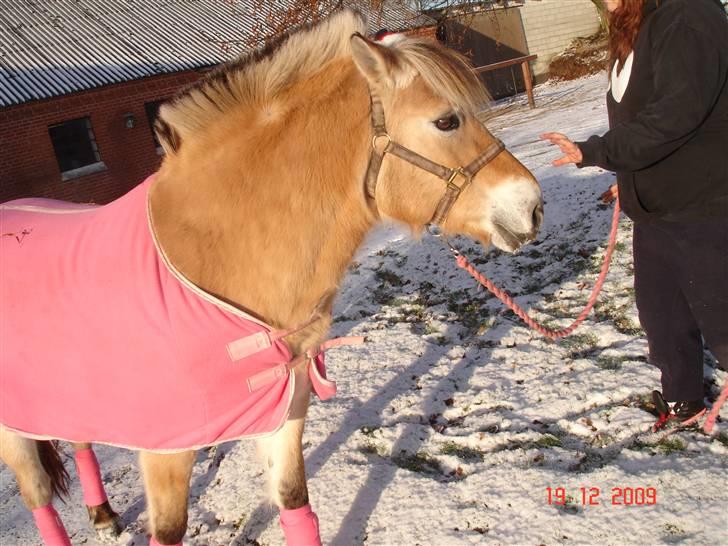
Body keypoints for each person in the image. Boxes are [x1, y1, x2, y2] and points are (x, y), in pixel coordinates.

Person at [541, 0, 728, 427]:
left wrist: (596, 152)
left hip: (703, 205)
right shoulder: (638, 27)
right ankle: (684, 399)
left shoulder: (690, 16)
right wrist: (627, 178)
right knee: (663, 316)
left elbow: (673, 118)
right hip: (657, 209)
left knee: (722, 318)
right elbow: (641, 116)